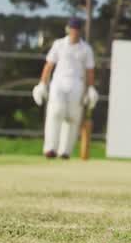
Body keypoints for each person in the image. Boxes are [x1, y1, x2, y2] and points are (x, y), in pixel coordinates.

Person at [33, 18, 97, 160]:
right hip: (58, 82)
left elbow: (90, 71)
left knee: (72, 117)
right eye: (72, 29)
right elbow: (49, 65)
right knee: (56, 112)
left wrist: (90, 88)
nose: (74, 32)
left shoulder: (86, 49)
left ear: (80, 31)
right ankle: (50, 148)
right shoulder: (59, 44)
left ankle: (65, 151)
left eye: (77, 29)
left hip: (77, 83)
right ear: (68, 30)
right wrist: (42, 83)